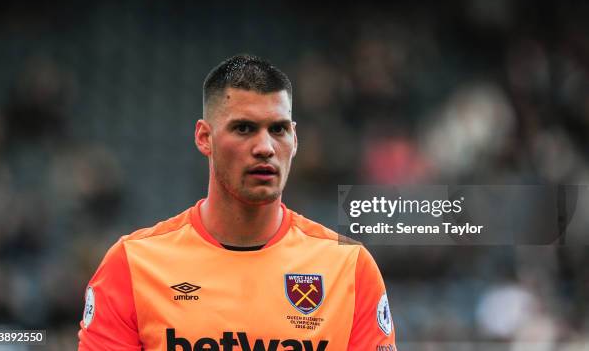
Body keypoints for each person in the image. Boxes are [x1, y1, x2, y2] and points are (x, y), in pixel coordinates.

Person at [77, 55, 397, 351]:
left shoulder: (350, 268)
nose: (265, 147)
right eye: (244, 128)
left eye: (278, 129)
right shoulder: (133, 265)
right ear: (205, 138)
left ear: (295, 139)